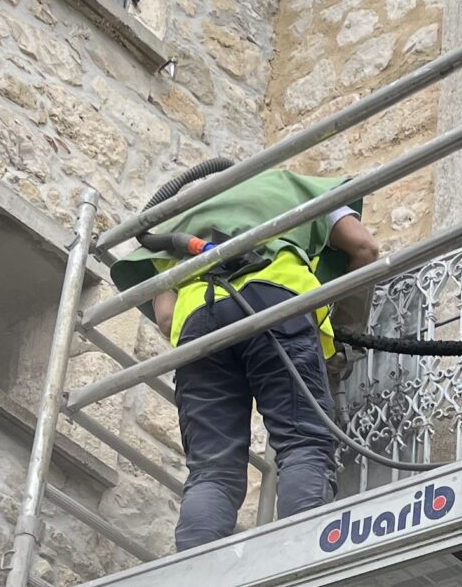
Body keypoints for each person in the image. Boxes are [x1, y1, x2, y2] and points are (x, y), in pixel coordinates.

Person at [114, 163, 379, 550]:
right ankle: (301, 555)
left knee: (212, 469)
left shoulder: (179, 222)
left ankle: (195, 573)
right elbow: (365, 248)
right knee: (303, 441)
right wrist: (343, 335)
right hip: (275, 303)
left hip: (199, 324)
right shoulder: (296, 185)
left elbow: (167, 315)